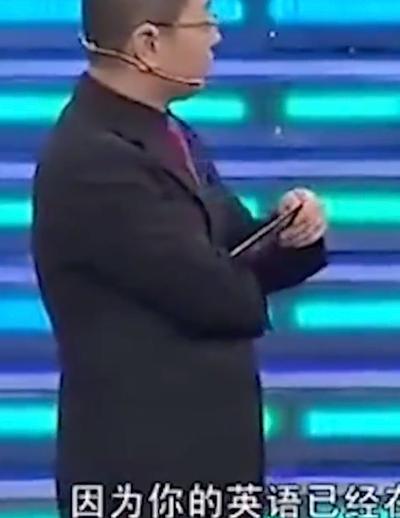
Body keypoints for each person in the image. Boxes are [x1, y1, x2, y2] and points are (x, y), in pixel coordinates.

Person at [31, 0, 328, 515]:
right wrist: (241, 272)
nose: (216, 35)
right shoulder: (96, 160)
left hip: (206, 466)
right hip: (144, 473)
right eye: (205, 20)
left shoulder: (168, 134)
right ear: (147, 43)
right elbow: (215, 296)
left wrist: (292, 233)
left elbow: (234, 245)